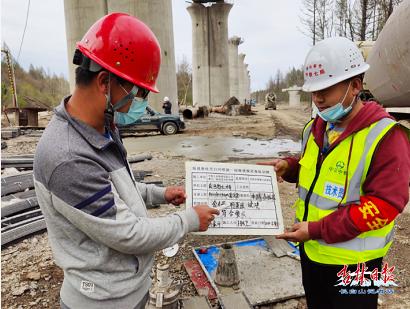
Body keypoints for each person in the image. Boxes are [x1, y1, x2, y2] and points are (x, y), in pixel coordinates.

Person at [33, 13, 219, 309]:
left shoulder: (104, 128)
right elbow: (129, 235)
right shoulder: (67, 157)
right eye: (139, 91)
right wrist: (190, 219)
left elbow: (118, 188)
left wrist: (160, 193)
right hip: (101, 301)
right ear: (105, 82)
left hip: (126, 290)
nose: (142, 102)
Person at [260, 37, 409, 309]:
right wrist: (290, 167)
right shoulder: (314, 128)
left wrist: (316, 229)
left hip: (355, 264)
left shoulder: (385, 136)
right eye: (313, 92)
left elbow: (386, 205)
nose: (317, 99)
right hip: (313, 254)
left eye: (325, 90)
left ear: (355, 85)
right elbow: (314, 167)